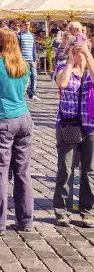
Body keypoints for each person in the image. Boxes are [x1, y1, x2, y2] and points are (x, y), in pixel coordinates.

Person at [0, 27, 33, 234]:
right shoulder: (24, 65)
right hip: (23, 118)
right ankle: (25, 219)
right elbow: (24, 90)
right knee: (22, 172)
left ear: (0, 42)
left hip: (0, 120)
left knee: (0, 173)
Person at [53, 38, 94, 226]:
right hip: (69, 124)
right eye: (75, 48)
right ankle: (62, 210)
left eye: (82, 48)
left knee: (89, 171)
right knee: (66, 168)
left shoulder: (91, 66)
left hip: (90, 125)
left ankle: (88, 211)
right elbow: (62, 83)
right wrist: (70, 61)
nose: (78, 52)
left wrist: (87, 55)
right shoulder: (62, 66)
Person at [18, 20, 39, 101]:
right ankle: (22, 93)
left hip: (31, 60)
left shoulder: (32, 35)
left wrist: (35, 59)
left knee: (34, 76)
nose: (27, 26)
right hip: (23, 60)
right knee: (24, 78)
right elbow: (18, 48)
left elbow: (34, 48)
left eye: (28, 25)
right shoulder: (19, 35)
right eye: (25, 25)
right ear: (22, 26)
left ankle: (32, 93)